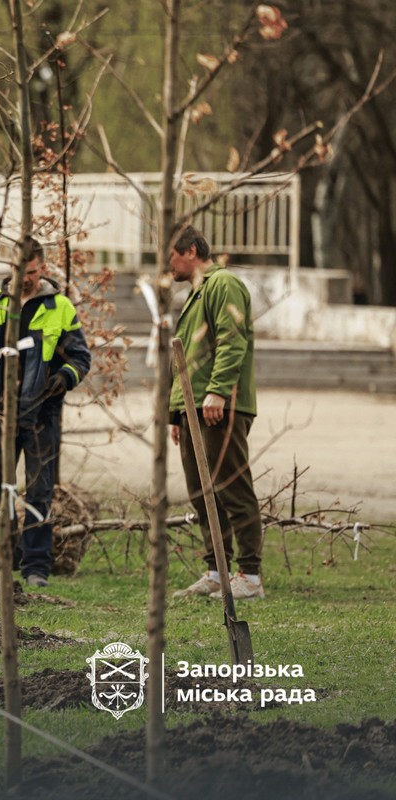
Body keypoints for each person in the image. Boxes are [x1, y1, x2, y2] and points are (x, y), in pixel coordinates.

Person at [0, 236, 91, 588]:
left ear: (42, 269)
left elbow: (81, 358)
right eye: (19, 271)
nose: (25, 278)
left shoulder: (59, 307)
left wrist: (63, 378)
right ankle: (5, 555)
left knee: (37, 492)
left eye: (31, 272)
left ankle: (35, 567)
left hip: (41, 416)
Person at [168, 226, 265, 600]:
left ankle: (250, 576)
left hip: (219, 406)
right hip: (193, 408)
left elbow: (231, 340)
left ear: (190, 251)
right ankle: (217, 570)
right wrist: (176, 413)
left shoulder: (222, 284)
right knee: (201, 492)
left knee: (231, 488)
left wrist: (218, 392)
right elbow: (185, 359)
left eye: (173, 256)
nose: (170, 265)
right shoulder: (195, 294)